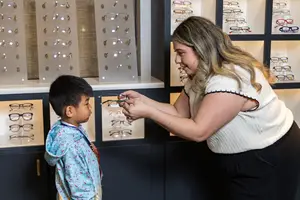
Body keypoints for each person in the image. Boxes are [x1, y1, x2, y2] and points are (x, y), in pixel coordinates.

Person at [119, 16, 300, 200]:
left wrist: (149, 112)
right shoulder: (201, 74)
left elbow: (199, 131)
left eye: (181, 53)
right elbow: (178, 112)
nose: (176, 60)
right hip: (239, 159)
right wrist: (144, 101)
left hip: (269, 157)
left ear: (200, 49)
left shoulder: (230, 78)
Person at [44, 75, 102, 200]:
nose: (90, 108)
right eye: (86, 104)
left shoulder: (69, 129)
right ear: (70, 111)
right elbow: (79, 190)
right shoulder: (70, 145)